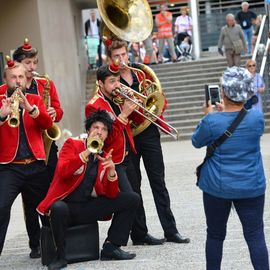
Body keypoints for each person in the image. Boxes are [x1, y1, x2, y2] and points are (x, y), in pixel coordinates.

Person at [106, 39, 190, 245]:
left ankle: (171, 230)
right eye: (116, 56)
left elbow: (158, 96)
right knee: (135, 187)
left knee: (158, 183)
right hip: (129, 138)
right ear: (110, 58)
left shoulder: (141, 73)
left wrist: (155, 104)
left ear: (128, 53)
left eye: (124, 54)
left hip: (150, 133)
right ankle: (140, 234)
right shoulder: (111, 82)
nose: (121, 59)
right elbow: (112, 111)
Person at [37, 110, 140, 270]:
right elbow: (63, 171)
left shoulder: (105, 156)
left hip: (86, 208)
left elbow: (111, 194)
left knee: (132, 199)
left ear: (107, 136)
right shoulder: (72, 144)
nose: (99, 132)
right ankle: (61, 257)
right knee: (58, 207)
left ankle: (111, 246)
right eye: (96, 127)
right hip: (64, 207)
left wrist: (112, 172)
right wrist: (85, 153)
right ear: (88, 130)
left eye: (104, 129)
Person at [192, 66, 269, 270]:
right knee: (255, 235)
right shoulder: (257, 118)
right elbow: (242, 120)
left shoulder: (212, 121)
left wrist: (208, 115)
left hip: (217, 186)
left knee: (215, 235)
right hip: (251, 184)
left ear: (223, 92)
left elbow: (196, 141)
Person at [7, 38, 63, 259]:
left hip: (46, 144)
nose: (32, 68)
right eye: (28, 63)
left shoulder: (45, 84)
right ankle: (35, 243)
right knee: (30, 200)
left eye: (35, 62)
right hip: (24, 147)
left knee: (53, 192)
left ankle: (54, 239)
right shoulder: (13, 84)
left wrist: (53, 114)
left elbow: (58, 110)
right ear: (18, 64)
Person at [0, 59, 53, 256]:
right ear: (6, 79)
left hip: (35, 165)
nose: (18, 81)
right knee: (1, 208)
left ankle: (51, 250)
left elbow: (48, 124)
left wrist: (31, 108)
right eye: (13, 77)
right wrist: (1, 115)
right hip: (9, 167)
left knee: (46, 210)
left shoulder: (35, 99)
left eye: (21, 76)